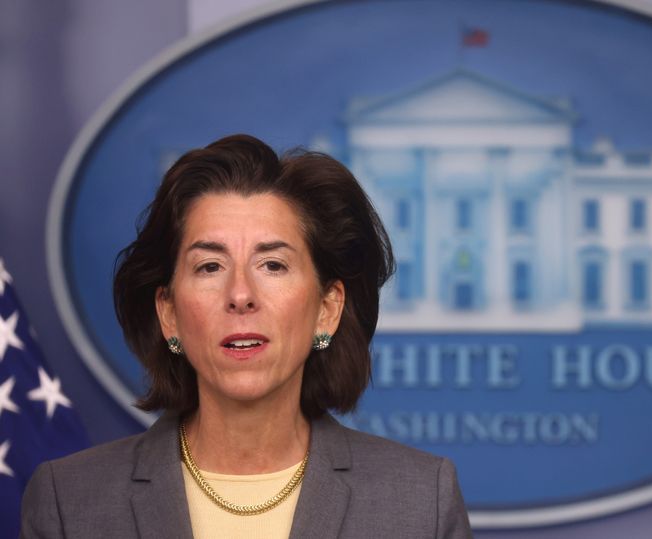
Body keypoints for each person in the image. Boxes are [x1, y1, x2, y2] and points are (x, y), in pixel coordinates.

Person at [20, 134, 472, 538]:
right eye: (209, 266)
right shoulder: (69, 502)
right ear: (169, 312)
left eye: (273, 265)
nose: (240, 295)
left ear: (327, 309)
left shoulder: (420, 503)